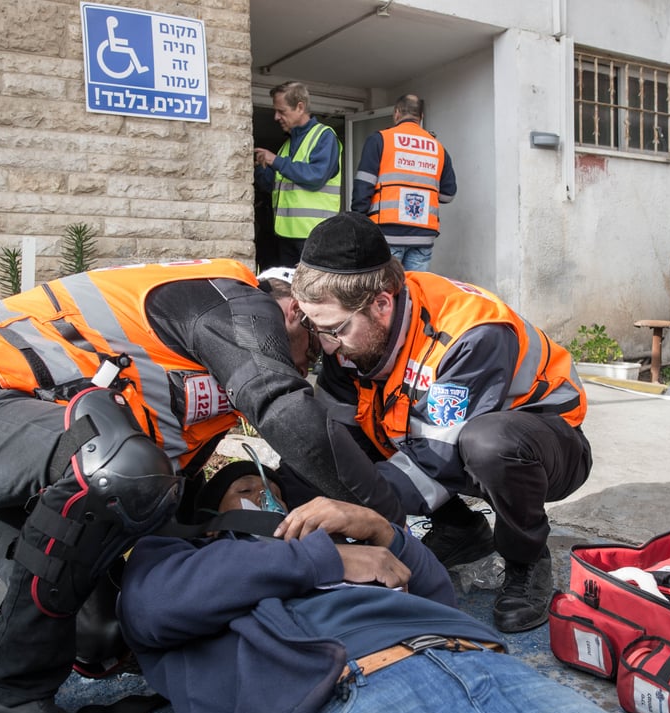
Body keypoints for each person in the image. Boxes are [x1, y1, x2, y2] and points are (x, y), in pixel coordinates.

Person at [0, 258, 402, 713]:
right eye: (316, 345)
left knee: (97, 638)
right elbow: (289, 415)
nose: (317, 358)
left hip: (34, 469)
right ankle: (8, 694)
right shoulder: (233, 301)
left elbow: (162, 516)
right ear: (289, 309)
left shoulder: (207, 394)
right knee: (122, 466)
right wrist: (391, 521)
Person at [117, 488, 670, 713]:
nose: (267, 503)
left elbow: (434, 596)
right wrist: (316, 558)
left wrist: (381, 532)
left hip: (486, 668)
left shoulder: (349, 550)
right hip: (347, 700)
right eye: (246, 497)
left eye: (273, 494)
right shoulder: (183, 561)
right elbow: (150, 608)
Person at [290, 212, 593, 633]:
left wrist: (367, 516)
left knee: (487, 444)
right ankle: (461, 532)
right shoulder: (348, 334)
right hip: (441, 443)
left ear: (381, 303)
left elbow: (438, 457)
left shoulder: (471, 331)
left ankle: (526, 559)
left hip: (544, 446)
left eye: (334, 329)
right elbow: (331, 435)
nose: (325, 344)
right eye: (313, 325)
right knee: (340, 440)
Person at [351, 93, 457, 272]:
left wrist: (358, 223)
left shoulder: (380, 140)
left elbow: (364, 186)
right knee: (414, 291)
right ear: (421, 117)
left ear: (397, 113)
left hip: (387, 234)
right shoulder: (438, 148)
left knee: (384, 292)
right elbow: (448, 195)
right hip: (423, 236)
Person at [254, 81, 342, 267]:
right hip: (285, 236)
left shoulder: (324, 136)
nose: (276, 117)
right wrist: (259, 167)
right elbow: (273, 186)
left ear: (300, 107)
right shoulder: (287, 145)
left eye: (282, 111)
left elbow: (316, 177)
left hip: (313, 237)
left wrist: (275, 161)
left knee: (312, 294)